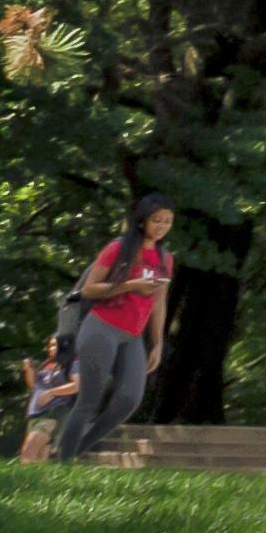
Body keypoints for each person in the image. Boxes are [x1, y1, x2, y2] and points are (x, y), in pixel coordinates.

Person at [55, 193, 174, 461]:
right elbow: (89, 289)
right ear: (142, 221)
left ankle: (76, 449)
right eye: (157, 220)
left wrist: (157, 343)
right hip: (102, 327)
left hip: (133, 336)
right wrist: (131, 285)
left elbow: (159, 303)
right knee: (89, 399)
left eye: (168, 221)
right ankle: (63, 462)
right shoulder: (118, 249)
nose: (162, 226)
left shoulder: (165, 259)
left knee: (129, 400)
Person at [18, 335, 79, 463]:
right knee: (39, 459)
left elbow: (76, 385)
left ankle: (23, 483)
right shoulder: (47, 364)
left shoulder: (72, 363)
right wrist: (28, 369)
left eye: (54, 345)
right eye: (49, 345)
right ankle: (36, 483)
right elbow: (33, 385)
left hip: (53, 412)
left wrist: (51, 393)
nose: (50, 348)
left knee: (28, 451)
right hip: (36, 413)